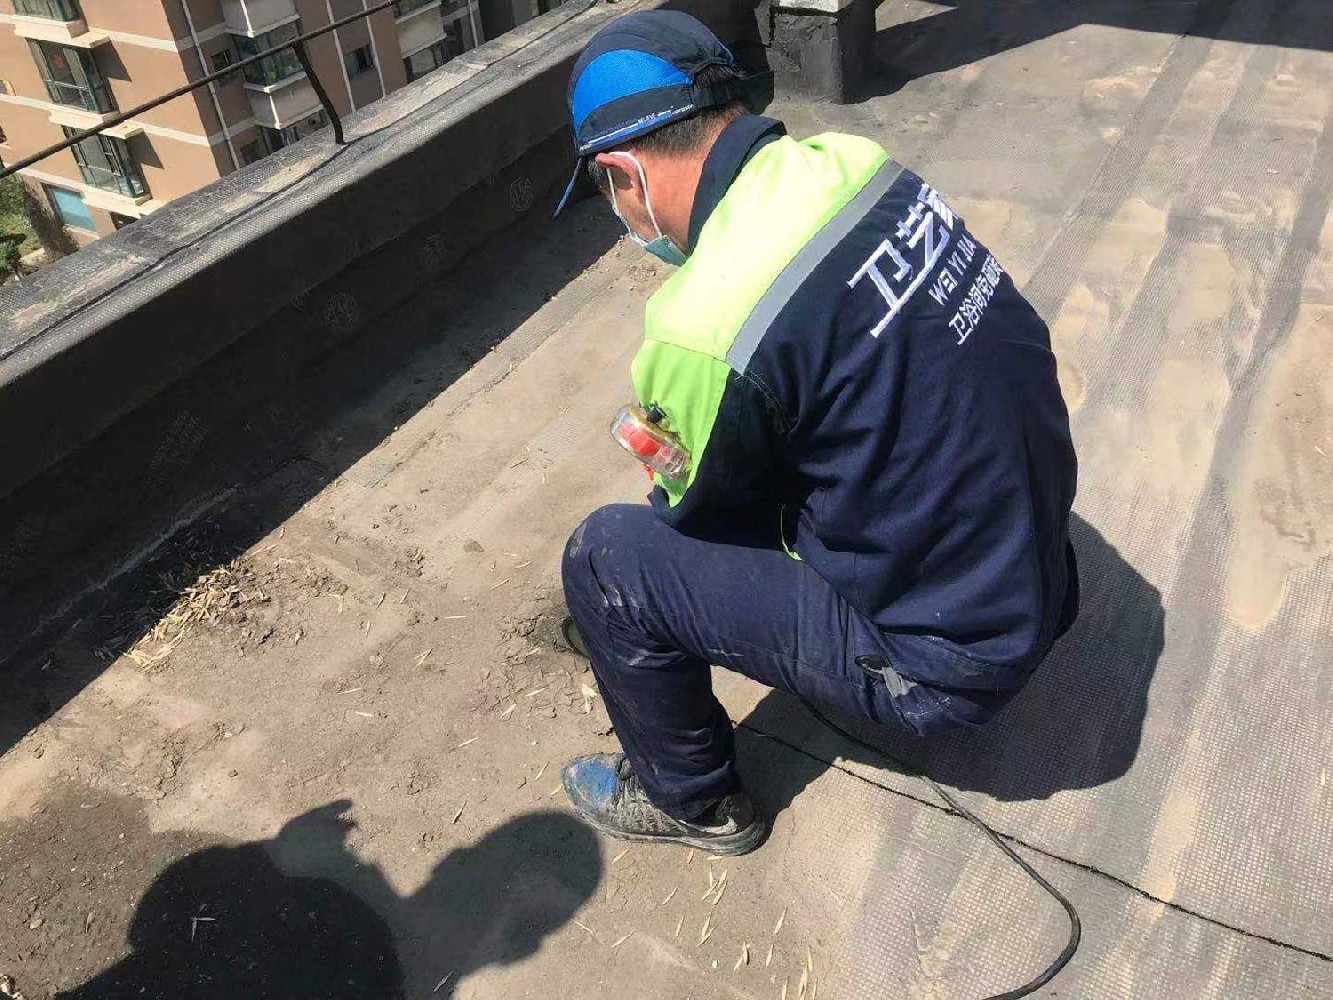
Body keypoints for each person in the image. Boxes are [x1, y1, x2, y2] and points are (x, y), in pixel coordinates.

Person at [554, 11, 1078, 856]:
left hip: (946, 660)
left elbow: (702, 516)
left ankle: (690, 801)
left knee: (607, 562)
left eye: (605, 192)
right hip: (1042, 577)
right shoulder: (854, 163)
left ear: (623, 173)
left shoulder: (700, 327)